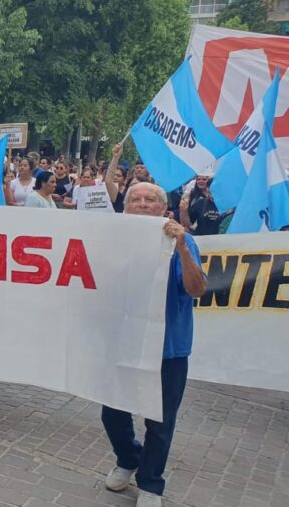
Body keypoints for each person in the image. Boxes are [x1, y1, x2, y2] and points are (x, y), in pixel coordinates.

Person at [100, 182, 206, 507]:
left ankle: (150, 483)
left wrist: (183, 249)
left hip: (168, 349)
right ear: (125, 206)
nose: (142, 203)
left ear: (163, 208)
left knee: (160, 422)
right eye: (135, 198)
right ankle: (129, 458)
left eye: (150, 199)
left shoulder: (181, 241)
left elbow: (196, 289)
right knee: (112, 413)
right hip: (122, 343)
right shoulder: (111, 240)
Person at [105, 144, 129, 214]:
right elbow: (108, 182)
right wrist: (116, 157)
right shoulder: (118, 198)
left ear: (125, 179)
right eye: (114, 175)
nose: (115, 177)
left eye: (118, 176)